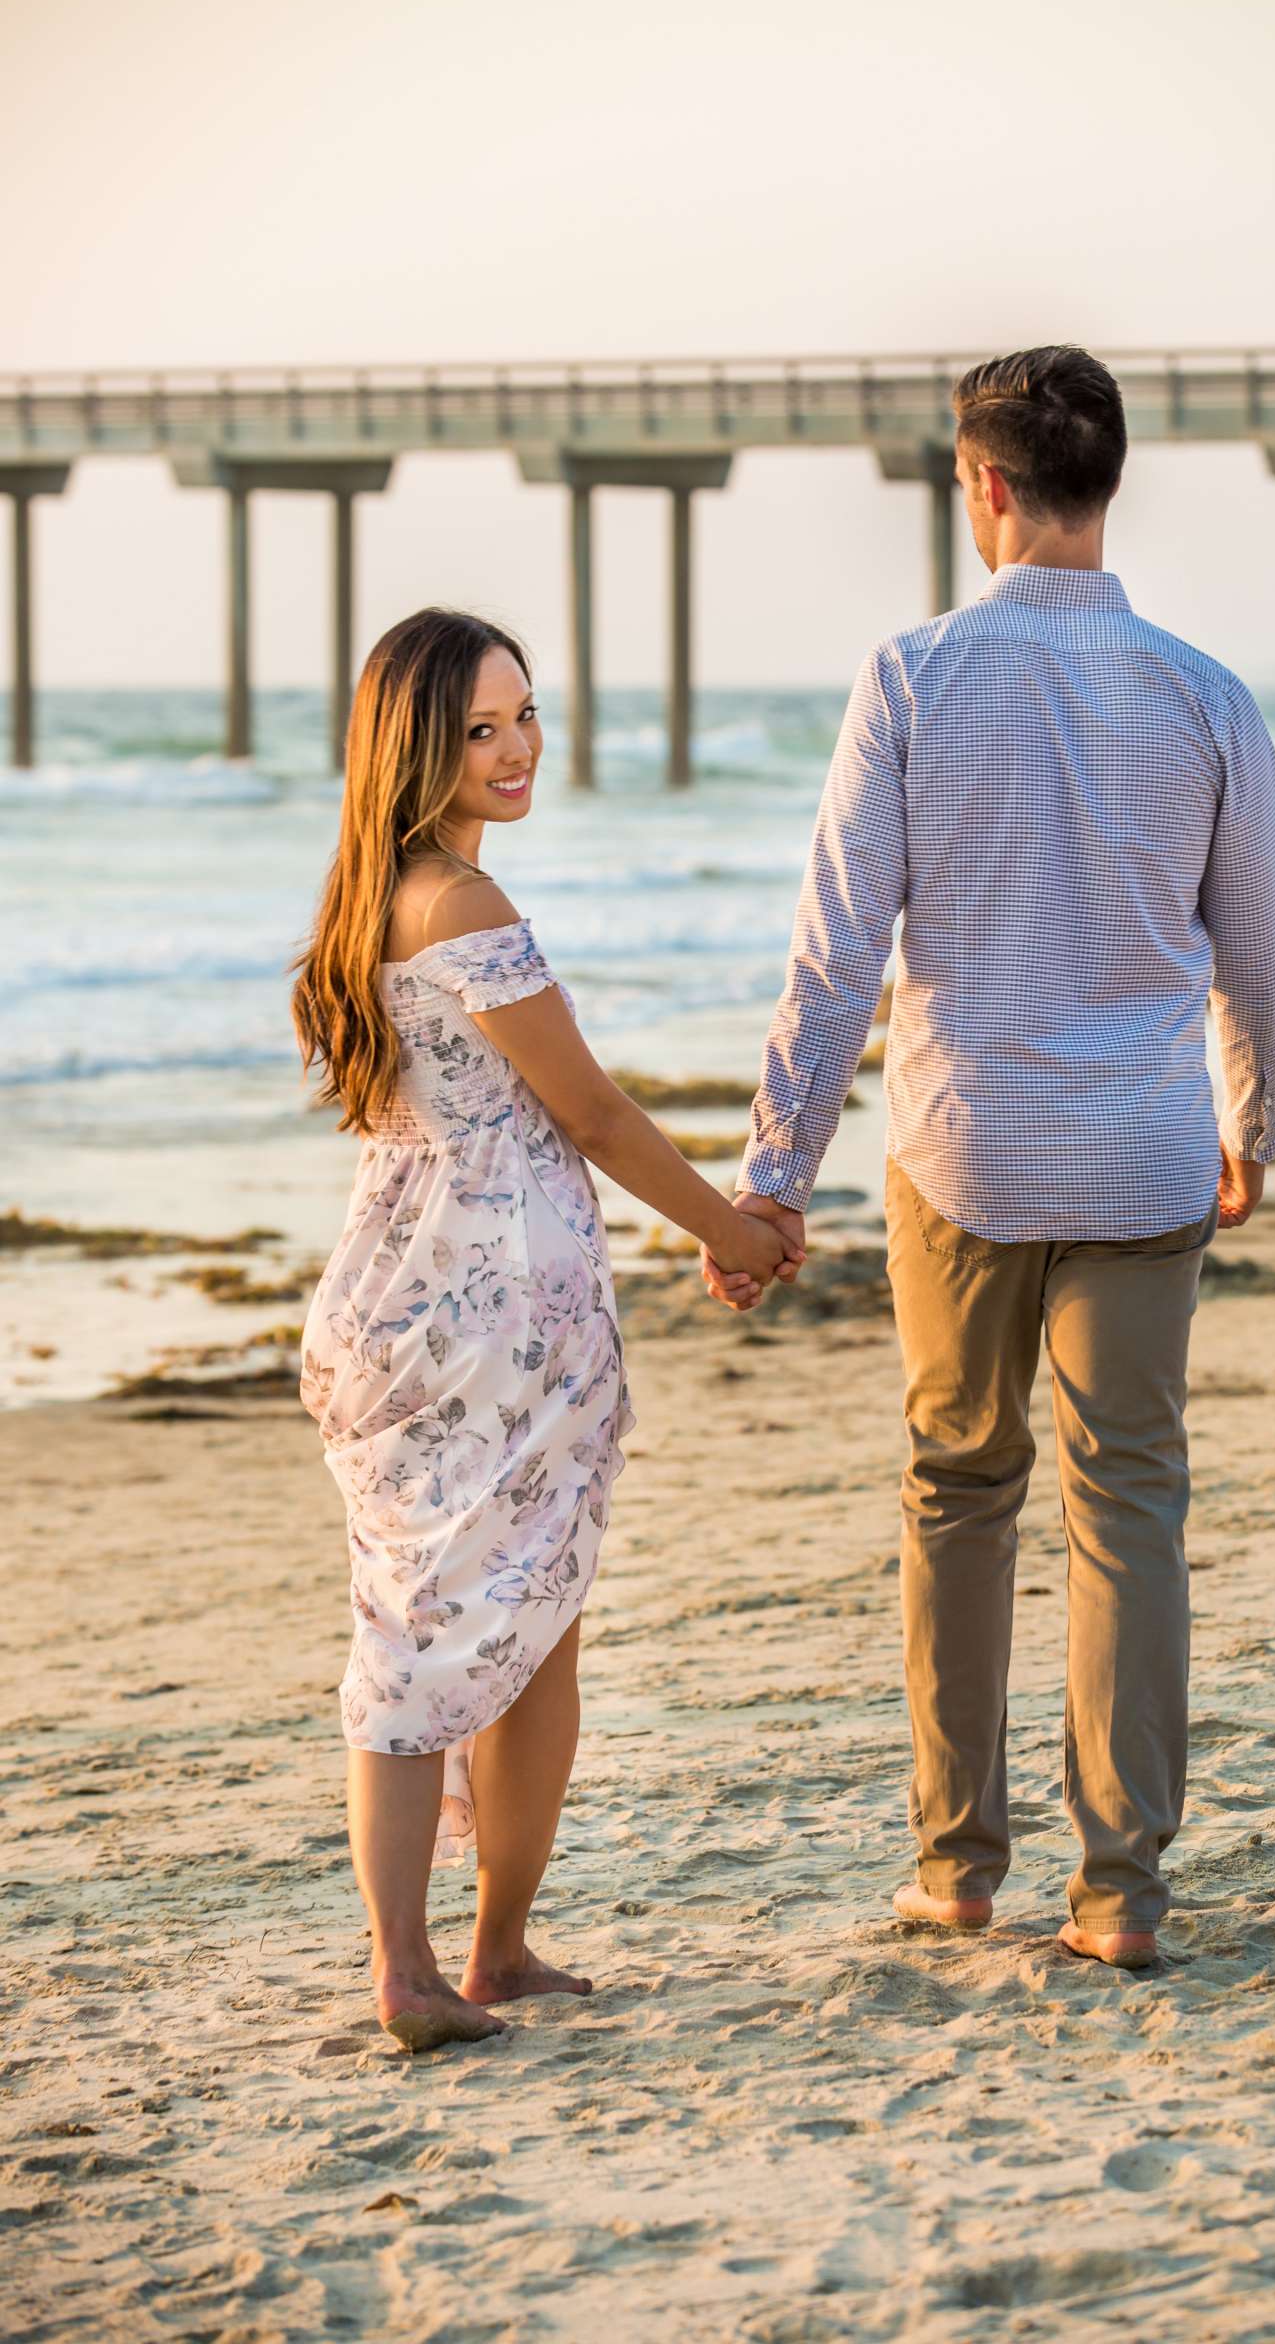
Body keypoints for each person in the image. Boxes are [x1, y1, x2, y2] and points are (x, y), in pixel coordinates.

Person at [704, 346, 1275, 1969]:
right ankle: (1120, 1896)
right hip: (1139, 1155)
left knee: (959, 1489)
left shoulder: (909, 678)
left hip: (958, 1155)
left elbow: (835, 955)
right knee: (1133, 1507)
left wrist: (776, 1174)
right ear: (1107, 483)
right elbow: (1265, 952)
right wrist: (1253, 1118)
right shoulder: (1205, 694)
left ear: (979, 486)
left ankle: (959, 1863)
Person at [292, 607, 797, 2052]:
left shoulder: (366, 903)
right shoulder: (466, 911)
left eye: (525, 717)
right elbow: (590, 1114)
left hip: (389, 1291)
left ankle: (449, 1960)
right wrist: (734, 1229)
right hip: (497, 1307)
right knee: (511, 1631)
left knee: (433, 1623)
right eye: (478, 728)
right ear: (415, 745)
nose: (516, 751)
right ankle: (455, 1961)